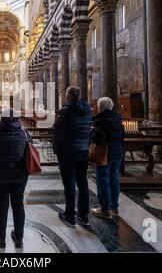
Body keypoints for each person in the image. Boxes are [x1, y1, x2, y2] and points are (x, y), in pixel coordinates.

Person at [0, 110, 32, 249]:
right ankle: (19, 237)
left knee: (1, 207)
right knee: (18, 206)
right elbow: (29, 150)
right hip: (20, 176)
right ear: (17, 119)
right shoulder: (25, 134)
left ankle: (2, 238)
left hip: (0, 176)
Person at [53, 86, 92, 227]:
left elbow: (58, 134)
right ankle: (84, 215)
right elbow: (88, 130)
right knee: (83, 183)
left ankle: (69, 216)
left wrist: (56, 150)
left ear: (68, 96)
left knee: (69, 185)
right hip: (83, 151)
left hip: (68, 153)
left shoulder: (65, 112)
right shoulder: (88, 111)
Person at [91, 97, 125, 219]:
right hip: (117, 152)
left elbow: (99, 139)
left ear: (100, 107)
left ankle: (105, 209)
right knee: (114, 179)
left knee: (103, 181)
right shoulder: (118, 118)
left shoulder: (99, 120)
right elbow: (122, 136)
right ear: (111, 107)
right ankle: (114, 207)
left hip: (104, 153)